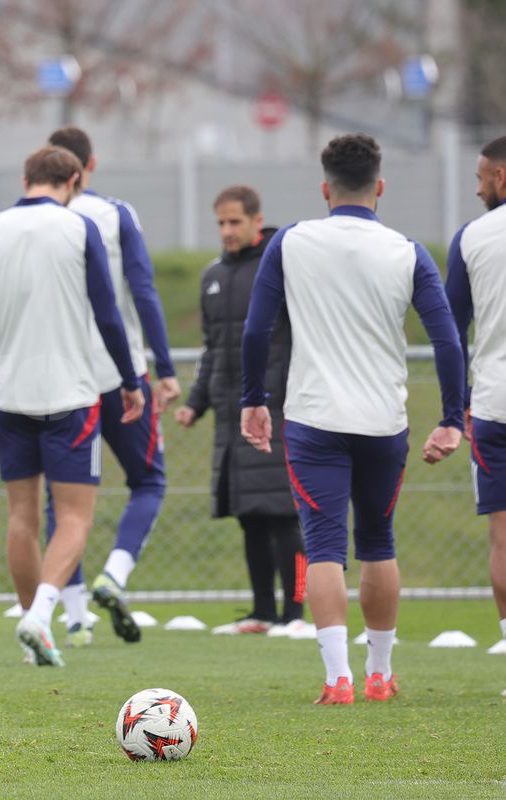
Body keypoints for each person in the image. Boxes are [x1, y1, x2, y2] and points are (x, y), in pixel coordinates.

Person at [240, 133, 464, 705]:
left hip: (314, 418)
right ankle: (379, 674)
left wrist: (253, 399)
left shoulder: (291, 241)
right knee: (378, 542)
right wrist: (451, 416)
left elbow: (257, 329)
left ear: (325, 189)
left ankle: (338, 677)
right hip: (382, 421)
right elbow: (446, 340)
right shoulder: (407, 251)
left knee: (323, 547)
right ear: (379, 187)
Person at [0, 144, 144, 667]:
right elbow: (108, 315)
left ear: (25, 180)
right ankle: (41, 615)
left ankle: (32, 630)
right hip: (71, 393)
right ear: (74, 181)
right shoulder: (79, 227)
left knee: (21, 516)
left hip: (10, 395)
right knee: (73, 517)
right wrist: (130, 380)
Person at [43, 126, 180, 647]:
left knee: (61, 499)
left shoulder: (33, 222)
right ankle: (115, 575)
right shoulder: (115, 214)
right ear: (89, 165)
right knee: (148, 480)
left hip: (61, 377)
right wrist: (165, 368)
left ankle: (75, 616)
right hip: (121, 376)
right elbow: (142, 290)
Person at [175, 185, 308, 638]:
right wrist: (196, 403)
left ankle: (295, 613)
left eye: (235, 221)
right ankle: (263, 612)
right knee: (250, 516)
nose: (227, 230)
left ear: (257, 220)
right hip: (233, 417)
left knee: (285, 515)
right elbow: (213, 348)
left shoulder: (280, 266)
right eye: (221, 223)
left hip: (278, 412)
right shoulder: (213, 275)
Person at [444, 134, 506, 664]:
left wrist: (455, 404)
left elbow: (450, 331)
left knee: (503, 537)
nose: (478, 188)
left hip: (494, 403)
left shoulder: (471, 238)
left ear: (501, 177)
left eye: (481, 178)